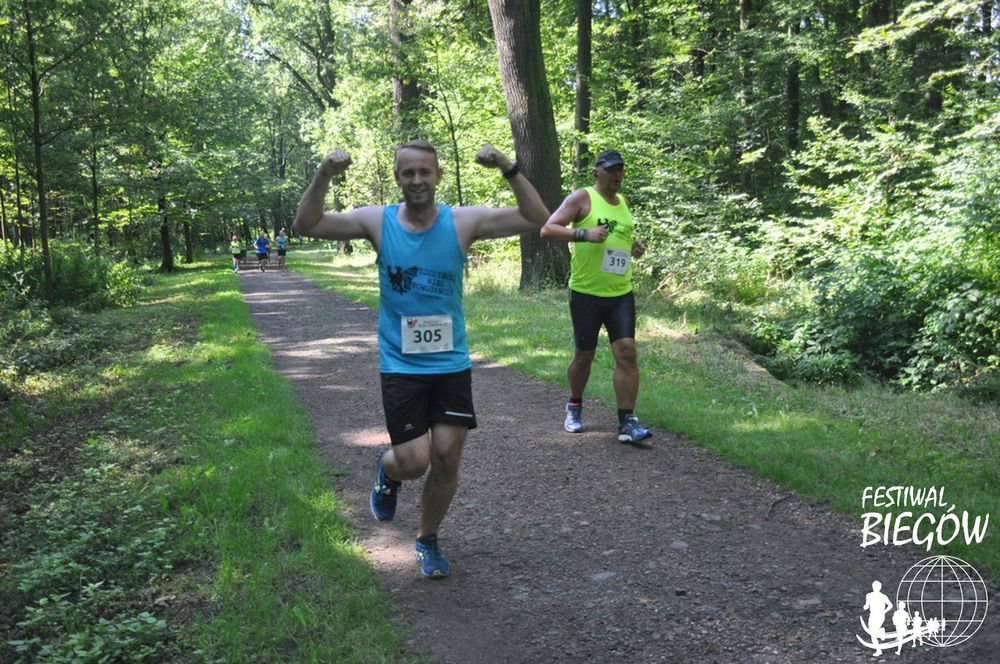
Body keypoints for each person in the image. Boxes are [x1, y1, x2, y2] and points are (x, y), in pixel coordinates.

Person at [292, 140, 549, 578]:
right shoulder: (378, 220)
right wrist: (324, 174)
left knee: (446, 457)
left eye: (424, 172)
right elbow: (306, 224)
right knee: (414, 462)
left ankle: (427, 538)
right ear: (397, 178)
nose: (416, 180)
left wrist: (507, 166)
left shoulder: (462, 222)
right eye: (408, 173)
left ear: (438, 176)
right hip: (401, 366)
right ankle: (387, 470)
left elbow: (536, 217)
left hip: (450, 364)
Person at [539, 149, 652, 447]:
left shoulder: (623, 202)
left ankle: (627, 421)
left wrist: (633, 247)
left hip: (620, 292)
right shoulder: (582, 198)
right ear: (596, 172)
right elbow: (548, 229)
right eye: (611, 169)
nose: (617, 175)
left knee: (627, 352)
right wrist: (583, 235)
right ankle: (574, 405)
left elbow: (618, 236)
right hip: (586, 293)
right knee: (584, 355)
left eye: (620, 170)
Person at [863, 580, 894, 657]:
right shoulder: (870, 595)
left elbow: (890, 605)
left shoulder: (883, 596)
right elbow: (867, 605)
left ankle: (880, 633)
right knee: (872, 633)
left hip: (878, 615)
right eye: (874, 586)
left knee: (873, 633)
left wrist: (884, 611)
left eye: (876, 586)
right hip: (873, 614)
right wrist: (865, 607)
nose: (875, 587)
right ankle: (879, 648)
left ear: (880, 587)